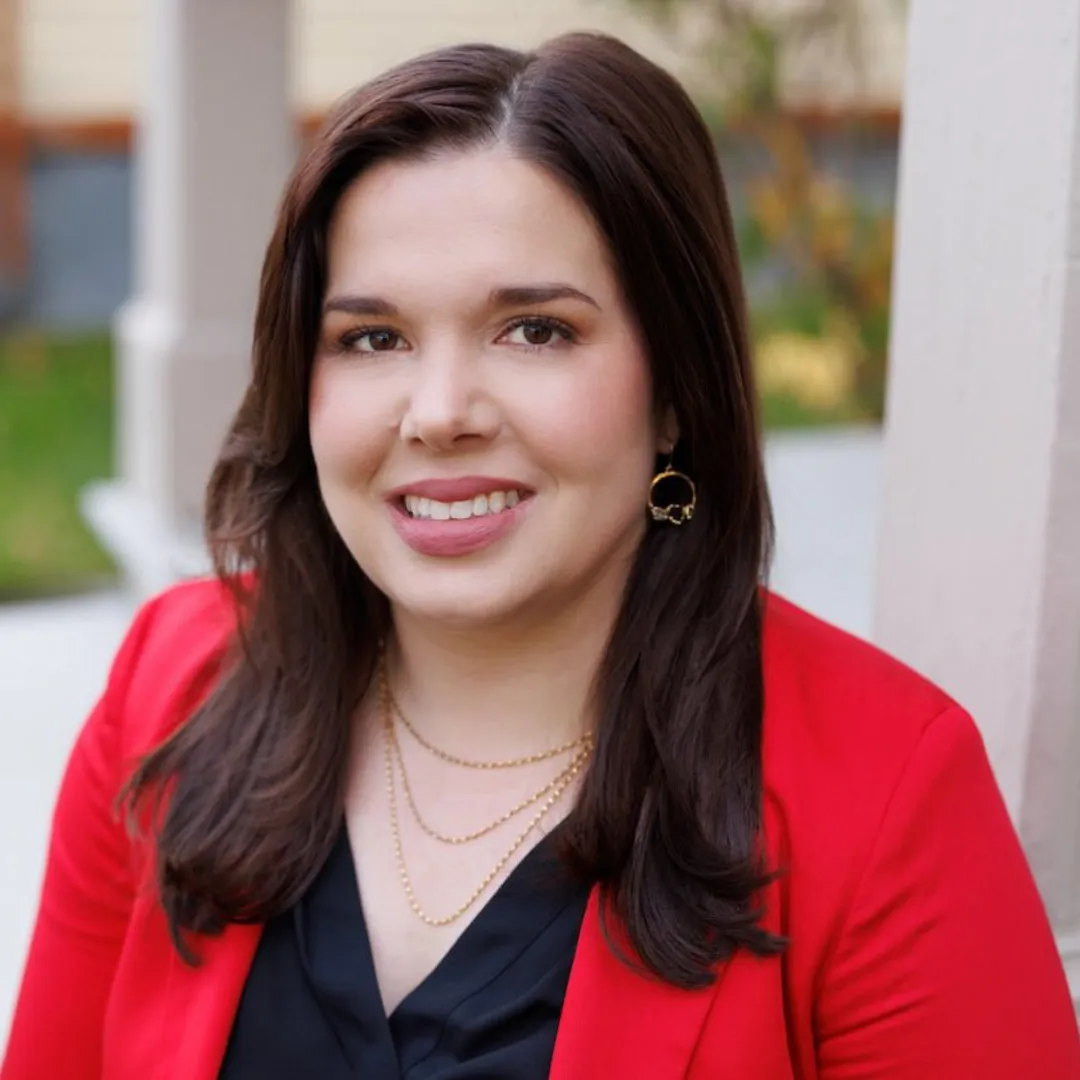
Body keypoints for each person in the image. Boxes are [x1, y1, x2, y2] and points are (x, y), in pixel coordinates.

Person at [3, 31, 1079, 1080]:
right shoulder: (171, 689)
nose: (438, 413)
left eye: (535, 330)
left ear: (673, 391)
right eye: (372, 338)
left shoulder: (889, 792)